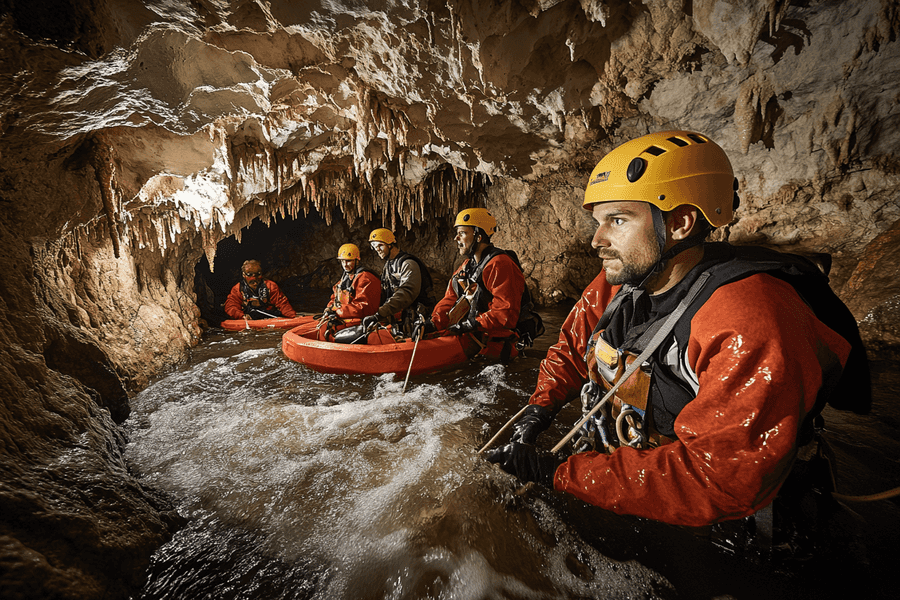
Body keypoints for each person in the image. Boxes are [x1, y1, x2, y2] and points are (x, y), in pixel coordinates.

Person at [485, 130, 870, 530]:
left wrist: (557, 472)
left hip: (726, 515)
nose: (596, 240)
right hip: (634, 473)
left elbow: (719, 477)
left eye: (617, 220)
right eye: (598, 222)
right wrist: (539, 409)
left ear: (681, 222)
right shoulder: (620, 284)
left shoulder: (749, 317)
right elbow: (571, 347)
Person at [416, 208, 542, 358]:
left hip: (497, 344)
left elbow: (505, 313)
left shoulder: (500, 264)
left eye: (462, 233)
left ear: (478, 236)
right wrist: (432, 324)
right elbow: (450, 300)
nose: (456, 238)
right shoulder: (466, 267)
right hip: (475, 337)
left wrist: (471, 324)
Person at [362, 228, 436, 336]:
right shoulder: (388, 266)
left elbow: (407, 292)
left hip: (420, 318)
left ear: (390, 244)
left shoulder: (408, 264)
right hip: (402, 317)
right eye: (374, 247)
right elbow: (384, 292)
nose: (377, 249)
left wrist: (380, 313)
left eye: (380, 245)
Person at [319, 243, 381, 330]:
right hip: (347, 317)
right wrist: (329, 308)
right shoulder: (344, 278)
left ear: (357, 261)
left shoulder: (365, 278)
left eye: (348, 261)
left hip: (361, 321)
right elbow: (335, 298)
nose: (345, 264)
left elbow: (364, 308)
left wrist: (337, 311)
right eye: (342, 261)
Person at [223, 259, 296, 320]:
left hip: (269, 316)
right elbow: (231, 306)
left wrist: (292, 316)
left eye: (258, 274)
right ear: (243, 275)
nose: (254, 278)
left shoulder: (270, 286)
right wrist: (241, 316)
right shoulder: (238, 289)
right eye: (250, 275)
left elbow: (282, 303)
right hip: (248, 317)